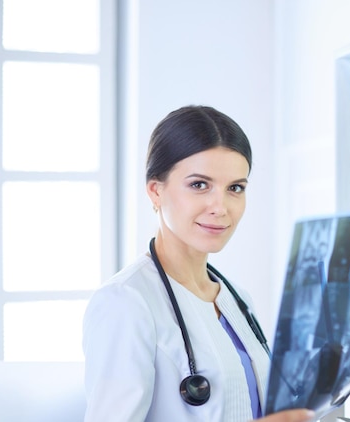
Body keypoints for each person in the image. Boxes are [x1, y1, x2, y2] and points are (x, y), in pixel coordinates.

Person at [82, 105, 315, 422]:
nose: (220, 207)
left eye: (235, 188)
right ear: (155, 191)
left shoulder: (236, 299)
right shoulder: (125, 302)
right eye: (199, 185)